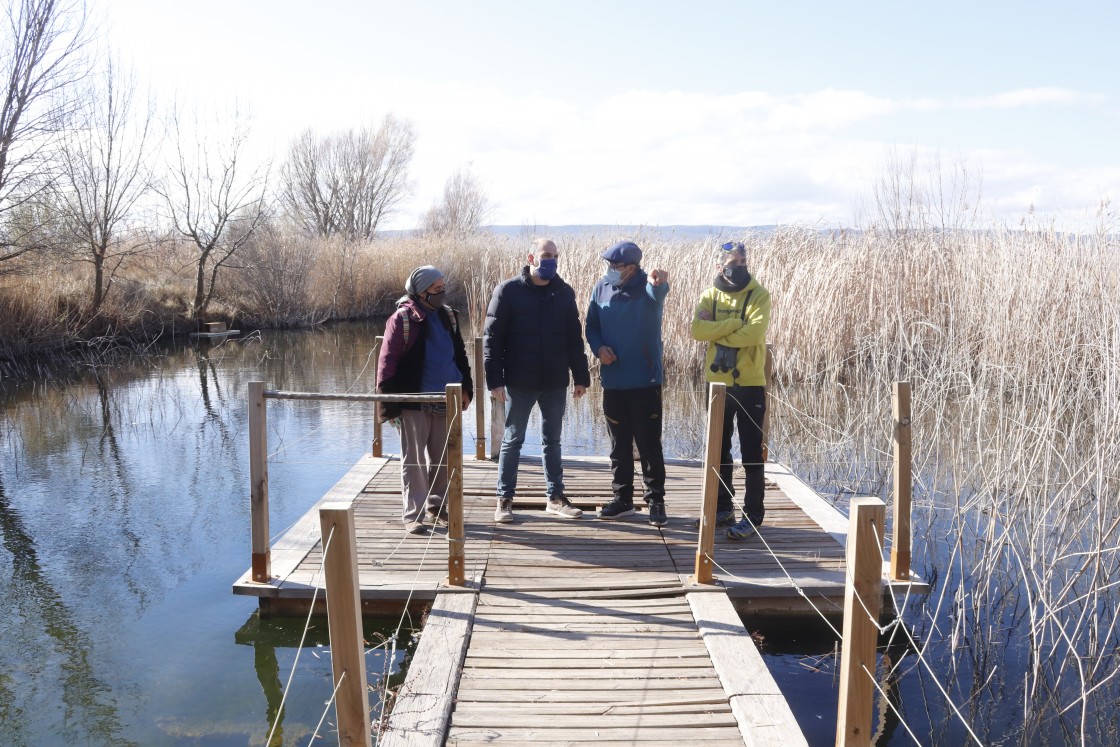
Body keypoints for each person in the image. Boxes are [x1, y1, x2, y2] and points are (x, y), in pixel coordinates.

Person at [484, 238, 591, 523]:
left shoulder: (564, 292)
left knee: (552, 441)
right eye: (546, 255)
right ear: (532, 257)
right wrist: (494, 380)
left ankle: (555, 497)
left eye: (555, 256)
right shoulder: (508, 291)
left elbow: (573, 339)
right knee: (512, 440)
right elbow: (492, 340)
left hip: (555, 381)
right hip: (520, 381)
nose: (551, 261)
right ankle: (504, 499)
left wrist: (581, 376)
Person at [376, 265, 473, 535]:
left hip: (447, 399)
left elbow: (460, 355)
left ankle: (437, 506)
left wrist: (466, 388)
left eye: (443, 288)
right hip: (414, 401)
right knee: (414, 460)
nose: (442, 293)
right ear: (421, 292)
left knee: (444, 457)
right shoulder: (402, 319)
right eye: (436, 289)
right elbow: (387, 364)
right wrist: (389, 406)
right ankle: (414, 514)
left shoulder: (449, 316)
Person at [585, 240, 671, 526]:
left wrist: (659, 283)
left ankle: (655, 500)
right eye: (608, 264)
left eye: (616, 266)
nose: (610, 270)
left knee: (648, 443)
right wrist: (598, 348)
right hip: (613, 381)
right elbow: (591, 325)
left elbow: (658, 293)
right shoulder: (601, 287)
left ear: (632, 268)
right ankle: (623, 500)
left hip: (645, 380)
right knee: (618, 444)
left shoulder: (646, 287)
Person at [690, 241, 771, 540]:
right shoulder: (710, 294)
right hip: (717, 383)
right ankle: (724, 507)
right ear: (719, 265)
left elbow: (755, 334)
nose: (738, 267)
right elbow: (697, 331)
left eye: (742, 262)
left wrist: (721, 326)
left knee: (751, 453)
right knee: (718, 448)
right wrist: (737, 323)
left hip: (749, 384)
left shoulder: (759, 295)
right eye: (732, 263)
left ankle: (753, 517)